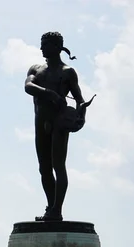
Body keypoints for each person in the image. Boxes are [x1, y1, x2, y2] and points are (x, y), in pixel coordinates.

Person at [24, 31, 95, 222]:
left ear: (56, 47)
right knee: (44, 168)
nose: (41, 48)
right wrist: (50, 93)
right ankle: (50, 208)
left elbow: (79, 99)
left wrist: (81, 113)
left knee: (58, 166)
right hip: (40, 122)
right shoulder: (36, 69)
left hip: (58, 124)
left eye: (45, 44)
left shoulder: (67, 72)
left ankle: (57, 209)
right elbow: (28, 86)